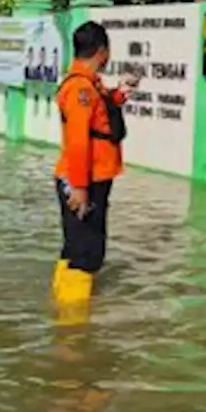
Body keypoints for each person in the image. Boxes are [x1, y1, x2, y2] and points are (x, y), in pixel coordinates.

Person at [50, 21, 139, 314]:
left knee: (76, 246)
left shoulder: (89, 84)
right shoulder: (80, 89)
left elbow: (101, 114)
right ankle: (74, 331)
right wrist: (79, 188)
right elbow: (78, 142)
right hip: (85, 178)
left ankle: (63, 308)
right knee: (86, 252)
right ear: (102, 51)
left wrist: (120, 94)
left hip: (91, 177)